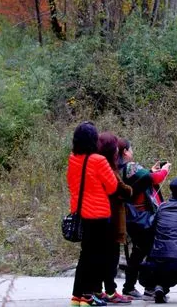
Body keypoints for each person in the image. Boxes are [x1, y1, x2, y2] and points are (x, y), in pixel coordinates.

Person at [68, 121, 118, 307]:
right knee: (96, 257)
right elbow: (112, 187)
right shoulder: (99, 160)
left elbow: (72, 184)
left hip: (80, 212)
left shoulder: (72, 158)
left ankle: (77, 297)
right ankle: (88, 298)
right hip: (98, 214)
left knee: (85, 256)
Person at [119, 140, 171, 299]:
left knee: (140, 251)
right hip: (142, 217)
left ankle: (132, 286)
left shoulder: (119, 169)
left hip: (130, 216)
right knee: (149, 251)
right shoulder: (130, 166)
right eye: (131, 148)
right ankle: (147, 287)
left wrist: (149, 171)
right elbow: (153, 179)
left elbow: (141, 180)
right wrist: (164, 171)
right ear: (125, 151)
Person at [96, 132, 134, 304]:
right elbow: (123, 190)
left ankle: (99, 290)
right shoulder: (109, 169)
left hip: (98, 217)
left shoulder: (95, 165)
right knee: (111, 256)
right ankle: (110, 291)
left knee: (102, 255)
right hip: (111, 217)